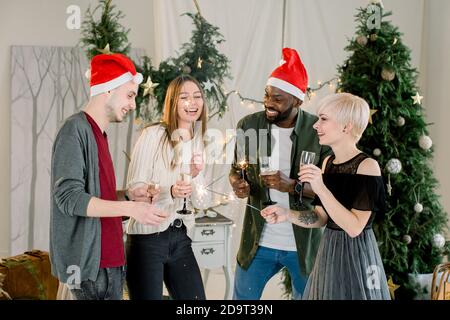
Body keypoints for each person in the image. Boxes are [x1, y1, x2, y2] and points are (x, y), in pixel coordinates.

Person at [50, 53, 170, 300]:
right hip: (91, 270)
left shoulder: (100, 135)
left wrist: (127, 195)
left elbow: (94, 197)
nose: (133, 104)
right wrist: (131, 207)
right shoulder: (74, 131)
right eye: (129, 95)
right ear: (108, 90)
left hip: (111, 264)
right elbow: (69, 198)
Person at [261, 93, 391, 300]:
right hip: (329, 252)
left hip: (357, 257)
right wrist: (287, 214)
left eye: (324, 119)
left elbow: (354, 227)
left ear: (346, 127)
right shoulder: (328, 162)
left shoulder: (368, 167)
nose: (315, 125)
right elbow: (321, 218)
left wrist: (320, 187)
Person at [230, 48, 332, 300]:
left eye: (278, 99)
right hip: (258, 241)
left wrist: (292, 186)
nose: (268, 103)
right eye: (267, 95)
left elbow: (328, 191)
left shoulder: (317, 131)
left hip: (303, 245)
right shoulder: (250, 125)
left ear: (297, 101)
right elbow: (236, 170)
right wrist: (238, 184)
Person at [125, 74, 210, 300]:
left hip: (181, 237)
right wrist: (169, 191)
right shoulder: (153, 135)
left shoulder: (199, 140)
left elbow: (202, 202)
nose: (192, 103)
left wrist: (197, 175)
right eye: (184, 97)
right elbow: (134, 189)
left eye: (197, 97)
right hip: (147, 240)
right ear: (173, 102)